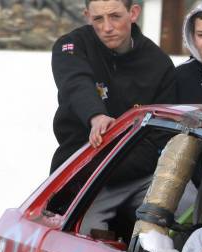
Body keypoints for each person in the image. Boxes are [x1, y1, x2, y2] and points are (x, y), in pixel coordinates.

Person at [50, 0, 176, 173]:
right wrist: (96, 116)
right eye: (98, 19)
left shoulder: (159, 63)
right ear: (87, 17)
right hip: (78, 165)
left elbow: (163, 133)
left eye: (115, 17)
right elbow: (75, 83)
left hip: (138, 175)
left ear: (133, 13)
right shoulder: (71, 45)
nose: (107, 27)